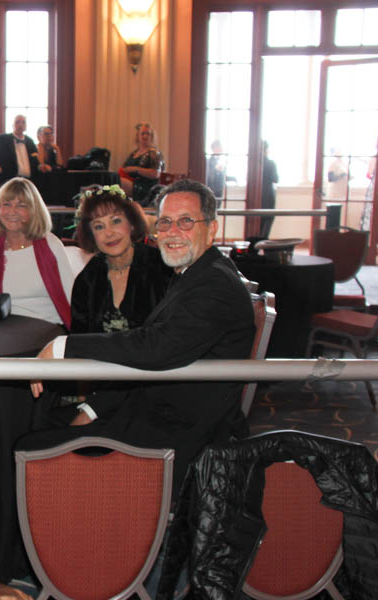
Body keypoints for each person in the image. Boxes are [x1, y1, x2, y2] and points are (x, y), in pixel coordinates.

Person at [25, 179, 255, 492]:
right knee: (36, 420)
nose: (172, 231)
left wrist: (65, 346)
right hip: (147, 405)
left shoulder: (213, 284)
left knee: (30, 447)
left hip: (176, 434)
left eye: (186, 221)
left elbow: (156, 347)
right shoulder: (191, 274)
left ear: (211, 229)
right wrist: (93, 406)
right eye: (166, 222)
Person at [70, 184, 173, 334]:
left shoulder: (162, 268)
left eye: (116, 221)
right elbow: (80, 337)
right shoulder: (87, 278)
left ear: (132, 224)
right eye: (99, 227)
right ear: (92, 235)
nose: (109, 233)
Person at [0, 177, 75, 327]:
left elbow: (72, 296)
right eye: (6, 204)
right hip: (2, 330)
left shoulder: (52, 245)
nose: (12, 211)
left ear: (34, 211)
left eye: (21, 205)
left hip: (49, 327)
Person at [0, 115, 46, 186]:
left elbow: (35, 162)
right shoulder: (1, 140)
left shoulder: (30, 141)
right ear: (12, 125)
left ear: (26, 126)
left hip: (29, 182)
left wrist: (41, 166)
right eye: (17, 122)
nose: (20, 124)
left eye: (23, 122)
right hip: (9, 182)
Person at [119, 122, 165, 207]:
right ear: (138, 136)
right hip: (133, 183)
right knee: (114, 179)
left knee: (118, 182)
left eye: (148, 134)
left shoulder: (154, 153)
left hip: (146, 187)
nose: (145, 136)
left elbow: (156, 174)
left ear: (152, 136)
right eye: (143, 133)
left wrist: (136, 169)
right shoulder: (134, 153)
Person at [259, 140, 278, 238]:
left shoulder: (255, 164)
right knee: (269, 218)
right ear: (266, 150)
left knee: (258, 220)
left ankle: (257, 241)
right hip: (268, 194)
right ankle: (264, 239)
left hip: (258, 195)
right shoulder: (271, 164)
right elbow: (276, 179)